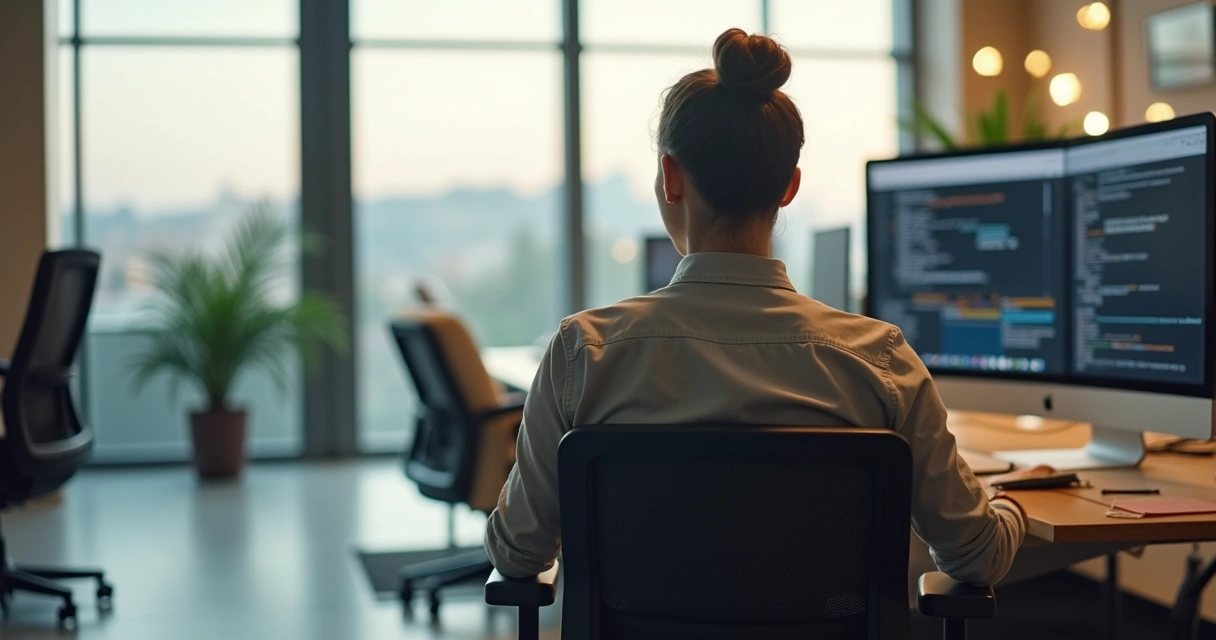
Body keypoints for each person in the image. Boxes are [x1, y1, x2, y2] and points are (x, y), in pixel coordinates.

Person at [484, 28, 1025, 587]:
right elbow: (976, 558)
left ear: (670, 177)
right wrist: (1011, 506)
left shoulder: (584, 352)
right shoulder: (879, 361)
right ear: (789, 186)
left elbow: (517, 554)